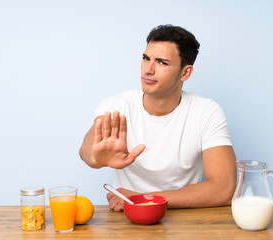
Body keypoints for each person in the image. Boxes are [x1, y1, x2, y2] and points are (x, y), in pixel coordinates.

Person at [79, 24, 236, 212]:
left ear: (185, 72)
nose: (148, 69)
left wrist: (145, 199)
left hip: (186, 221)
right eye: (146, 58)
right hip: (128, 218)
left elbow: (224, 189)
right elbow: (86, 149)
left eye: (162, 62)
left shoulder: (206, 111)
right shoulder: (118, 106)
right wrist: (96, 158)